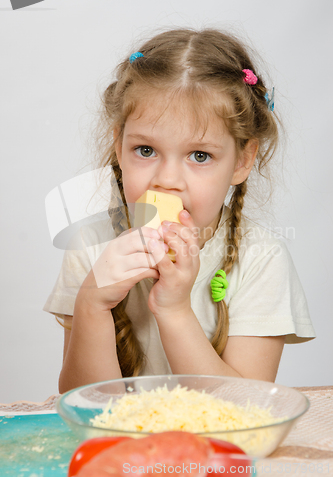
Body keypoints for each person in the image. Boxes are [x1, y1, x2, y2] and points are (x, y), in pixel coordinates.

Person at [43, 28, 315, 393]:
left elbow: (247, 410)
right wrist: (92, 303)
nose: (167, 180)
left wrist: (174, 309)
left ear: (242, 160)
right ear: (119, 146)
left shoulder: (261, 258)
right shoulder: (90, 246)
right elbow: (85, 405)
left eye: (199, 156)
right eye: (145, 150)